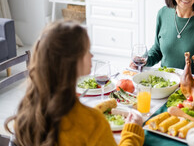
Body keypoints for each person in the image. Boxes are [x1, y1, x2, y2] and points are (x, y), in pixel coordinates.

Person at [4, 21, 144, 146]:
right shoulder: (93, 123)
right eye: (87, 50)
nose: (92, 56)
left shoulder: (27, 108)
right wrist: (133, 130)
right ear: (74, 63)